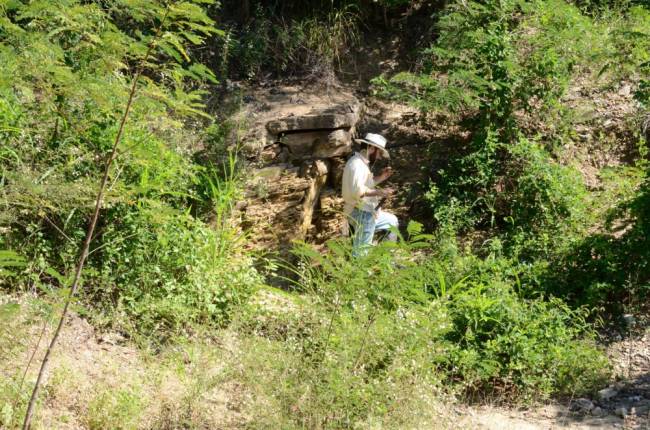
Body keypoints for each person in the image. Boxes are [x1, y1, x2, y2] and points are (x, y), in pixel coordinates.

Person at [342, 132, 399, 256]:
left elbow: (364, 186)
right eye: (379, 153)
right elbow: (359, 192)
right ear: (371, 148)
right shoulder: (357, 165)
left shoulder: (360, 163)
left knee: (392, 221)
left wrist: (382, 177)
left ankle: (386, 261)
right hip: (360, 212)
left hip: (365, 211)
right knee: (361, 252)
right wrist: (381, 192)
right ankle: (360, 273)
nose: (379, 157)